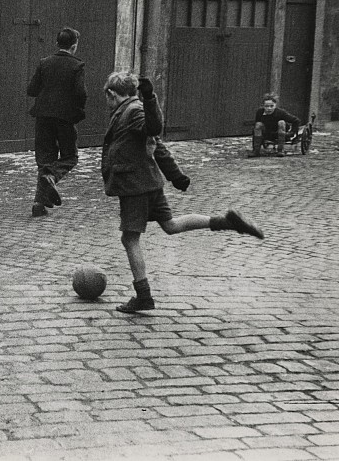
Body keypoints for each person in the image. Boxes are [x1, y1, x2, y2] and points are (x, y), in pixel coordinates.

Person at [100, 72, 264, 314]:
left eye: (107, 98)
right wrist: (175, 176)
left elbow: (154, 128)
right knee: (171, 225)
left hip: (135, 186)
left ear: (112, 94)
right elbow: (158, 147)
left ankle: (143, 296)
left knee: (129, 238)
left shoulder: (132, 110)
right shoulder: (130, 110)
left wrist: (150, 99)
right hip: (149, 183)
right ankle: (227, 222)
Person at [27, 26, 88, 217]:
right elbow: (81, 93)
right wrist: (77, 112)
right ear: (74, 46)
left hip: (43, 116)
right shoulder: (77, 65)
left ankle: (39, 204)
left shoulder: (44, 63)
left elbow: (31, 90)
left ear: (57, 44)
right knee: (70, 157)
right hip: (64, 119)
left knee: (45, 159)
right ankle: (51, 177)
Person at [248, 93, 301, 157]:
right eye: (266, 106)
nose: (269, 108)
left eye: (271, 106)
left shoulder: (280, 112)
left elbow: (296, 121)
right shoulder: (260, 112)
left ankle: (280, 150)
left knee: (281, 122)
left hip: (279, 132)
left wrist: (292, 132)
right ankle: (256, 151)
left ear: (275, 105)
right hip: (267, 133)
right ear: (263, 106)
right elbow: (256, 126)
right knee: (258, 124)